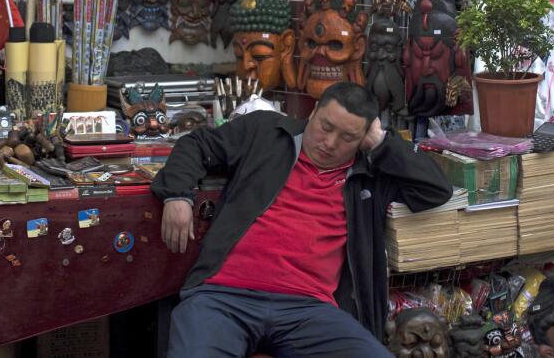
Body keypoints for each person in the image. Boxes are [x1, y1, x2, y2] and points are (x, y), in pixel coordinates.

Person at [154, 82, 453, 357]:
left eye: (348, 137)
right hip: (223, 297)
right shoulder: (267, 132)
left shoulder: (370, 174)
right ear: (313, 112)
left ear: (363, 139)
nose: (330, 143)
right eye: (326, 127)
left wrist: (381, 142)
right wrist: (177, 195)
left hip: (308, 310)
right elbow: (197, 144)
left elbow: (435, 190)